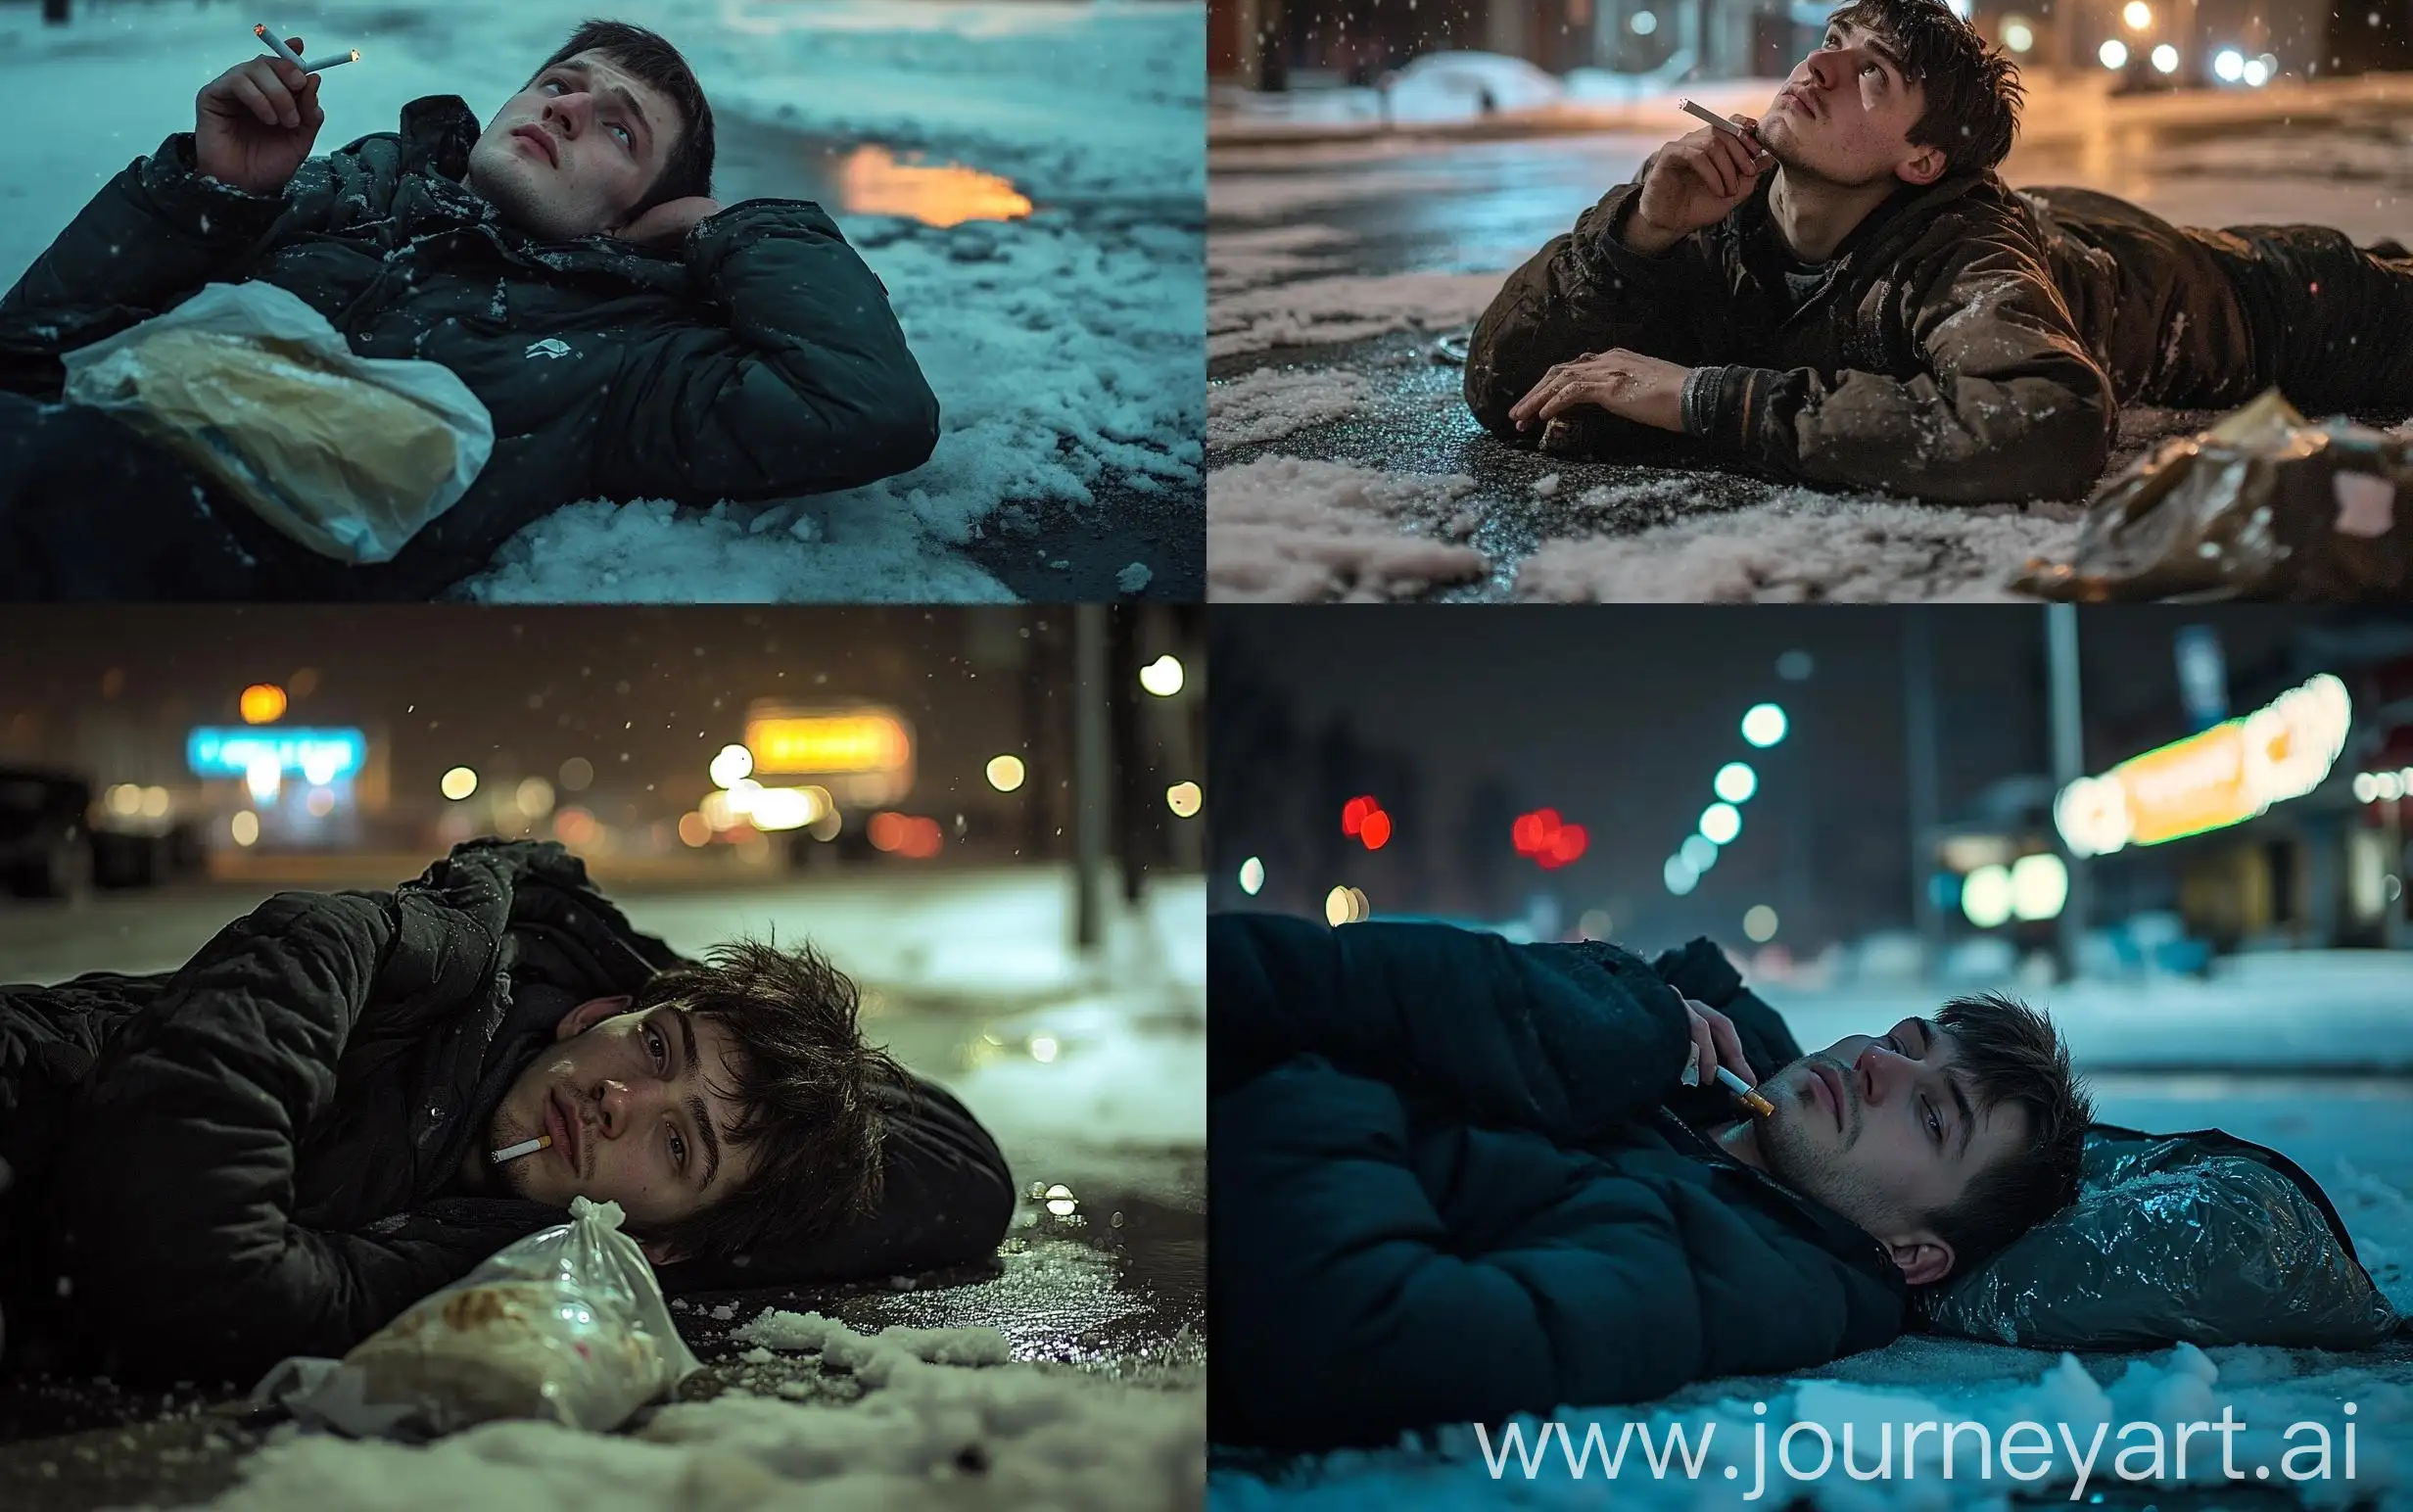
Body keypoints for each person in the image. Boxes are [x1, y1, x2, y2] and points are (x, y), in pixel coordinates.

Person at [0, 838, 1014, 1386]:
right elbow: (184, 1262)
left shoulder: (488, 1260)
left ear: (663, 1247)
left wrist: (805, 1114)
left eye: (677, 1141)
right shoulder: (437, 963)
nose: (620, 1096)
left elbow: (964, 1176)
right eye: (654, 1046)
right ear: (599, 1008)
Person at [0, 21, 940, 599]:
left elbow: (867, 409)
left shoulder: (621, 350)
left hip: (135, 552)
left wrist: (731, 228)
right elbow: (31, 342)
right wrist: (211, 194)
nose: (567, 109)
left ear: (640, 215)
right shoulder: (346, 194)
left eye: (620, 127)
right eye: (558, 85)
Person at [1465, 0, 2413, 505]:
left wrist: (1702, 395)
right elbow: (1498, 379)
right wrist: (1636, 232)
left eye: (1869, 74)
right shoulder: (1721, 211)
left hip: (2256, 305)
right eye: (1833, 39)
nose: (1819, 67)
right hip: (2083, 232)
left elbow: (2045, 418)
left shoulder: (1959, 254)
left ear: (1921, 158)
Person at [1208, 911, 2091, 1451]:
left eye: (1933, 1118)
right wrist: (1594, 998)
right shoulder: (1713, 1074)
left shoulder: (1715, 1266)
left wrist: (1332, 1070)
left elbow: (1363, 1341)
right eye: (1901, 1044)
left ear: (1912, 1253)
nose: (1879, 1072)